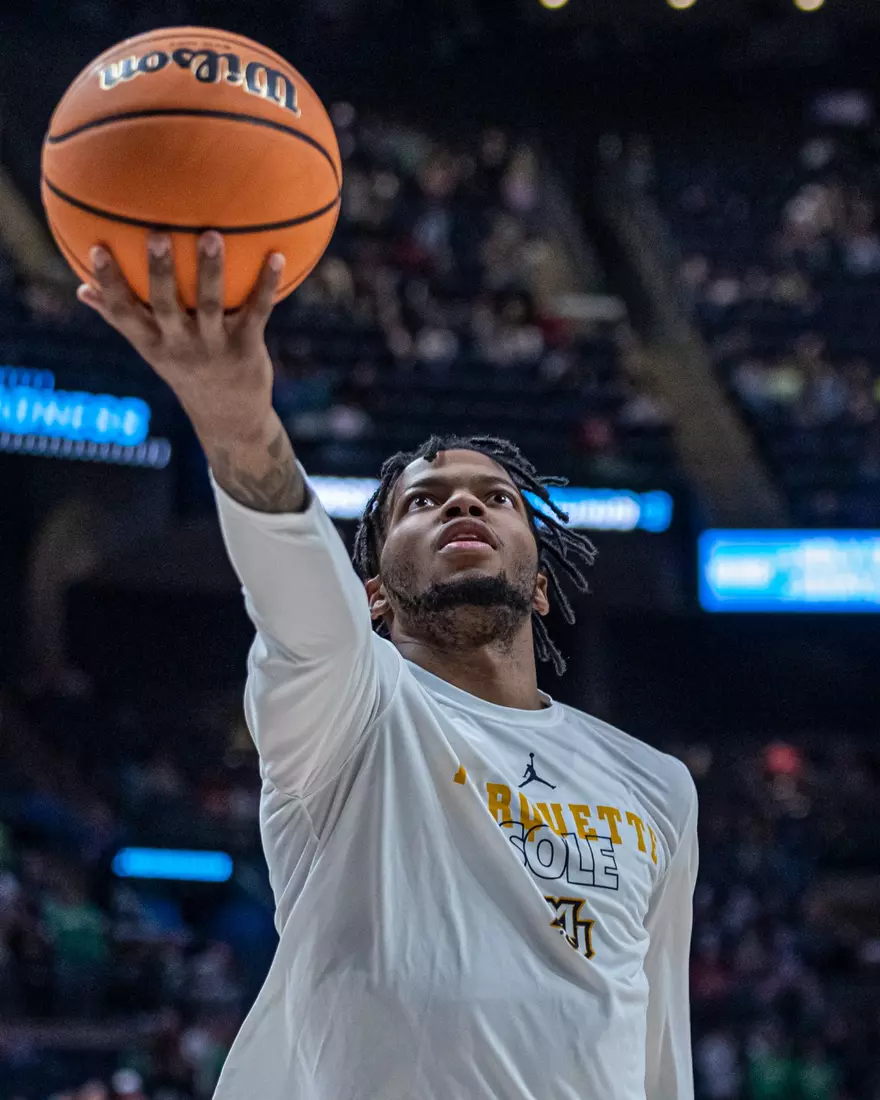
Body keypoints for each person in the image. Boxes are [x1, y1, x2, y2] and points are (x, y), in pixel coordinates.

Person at [77, 231, 699, 1100]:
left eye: (496, 498)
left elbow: (659, 1047)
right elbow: (298, 593)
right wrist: (236, 417)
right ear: (374, 595)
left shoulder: (658, 786)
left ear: (544, 589)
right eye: (424, 501)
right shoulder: (347, 710)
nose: (462, 504)